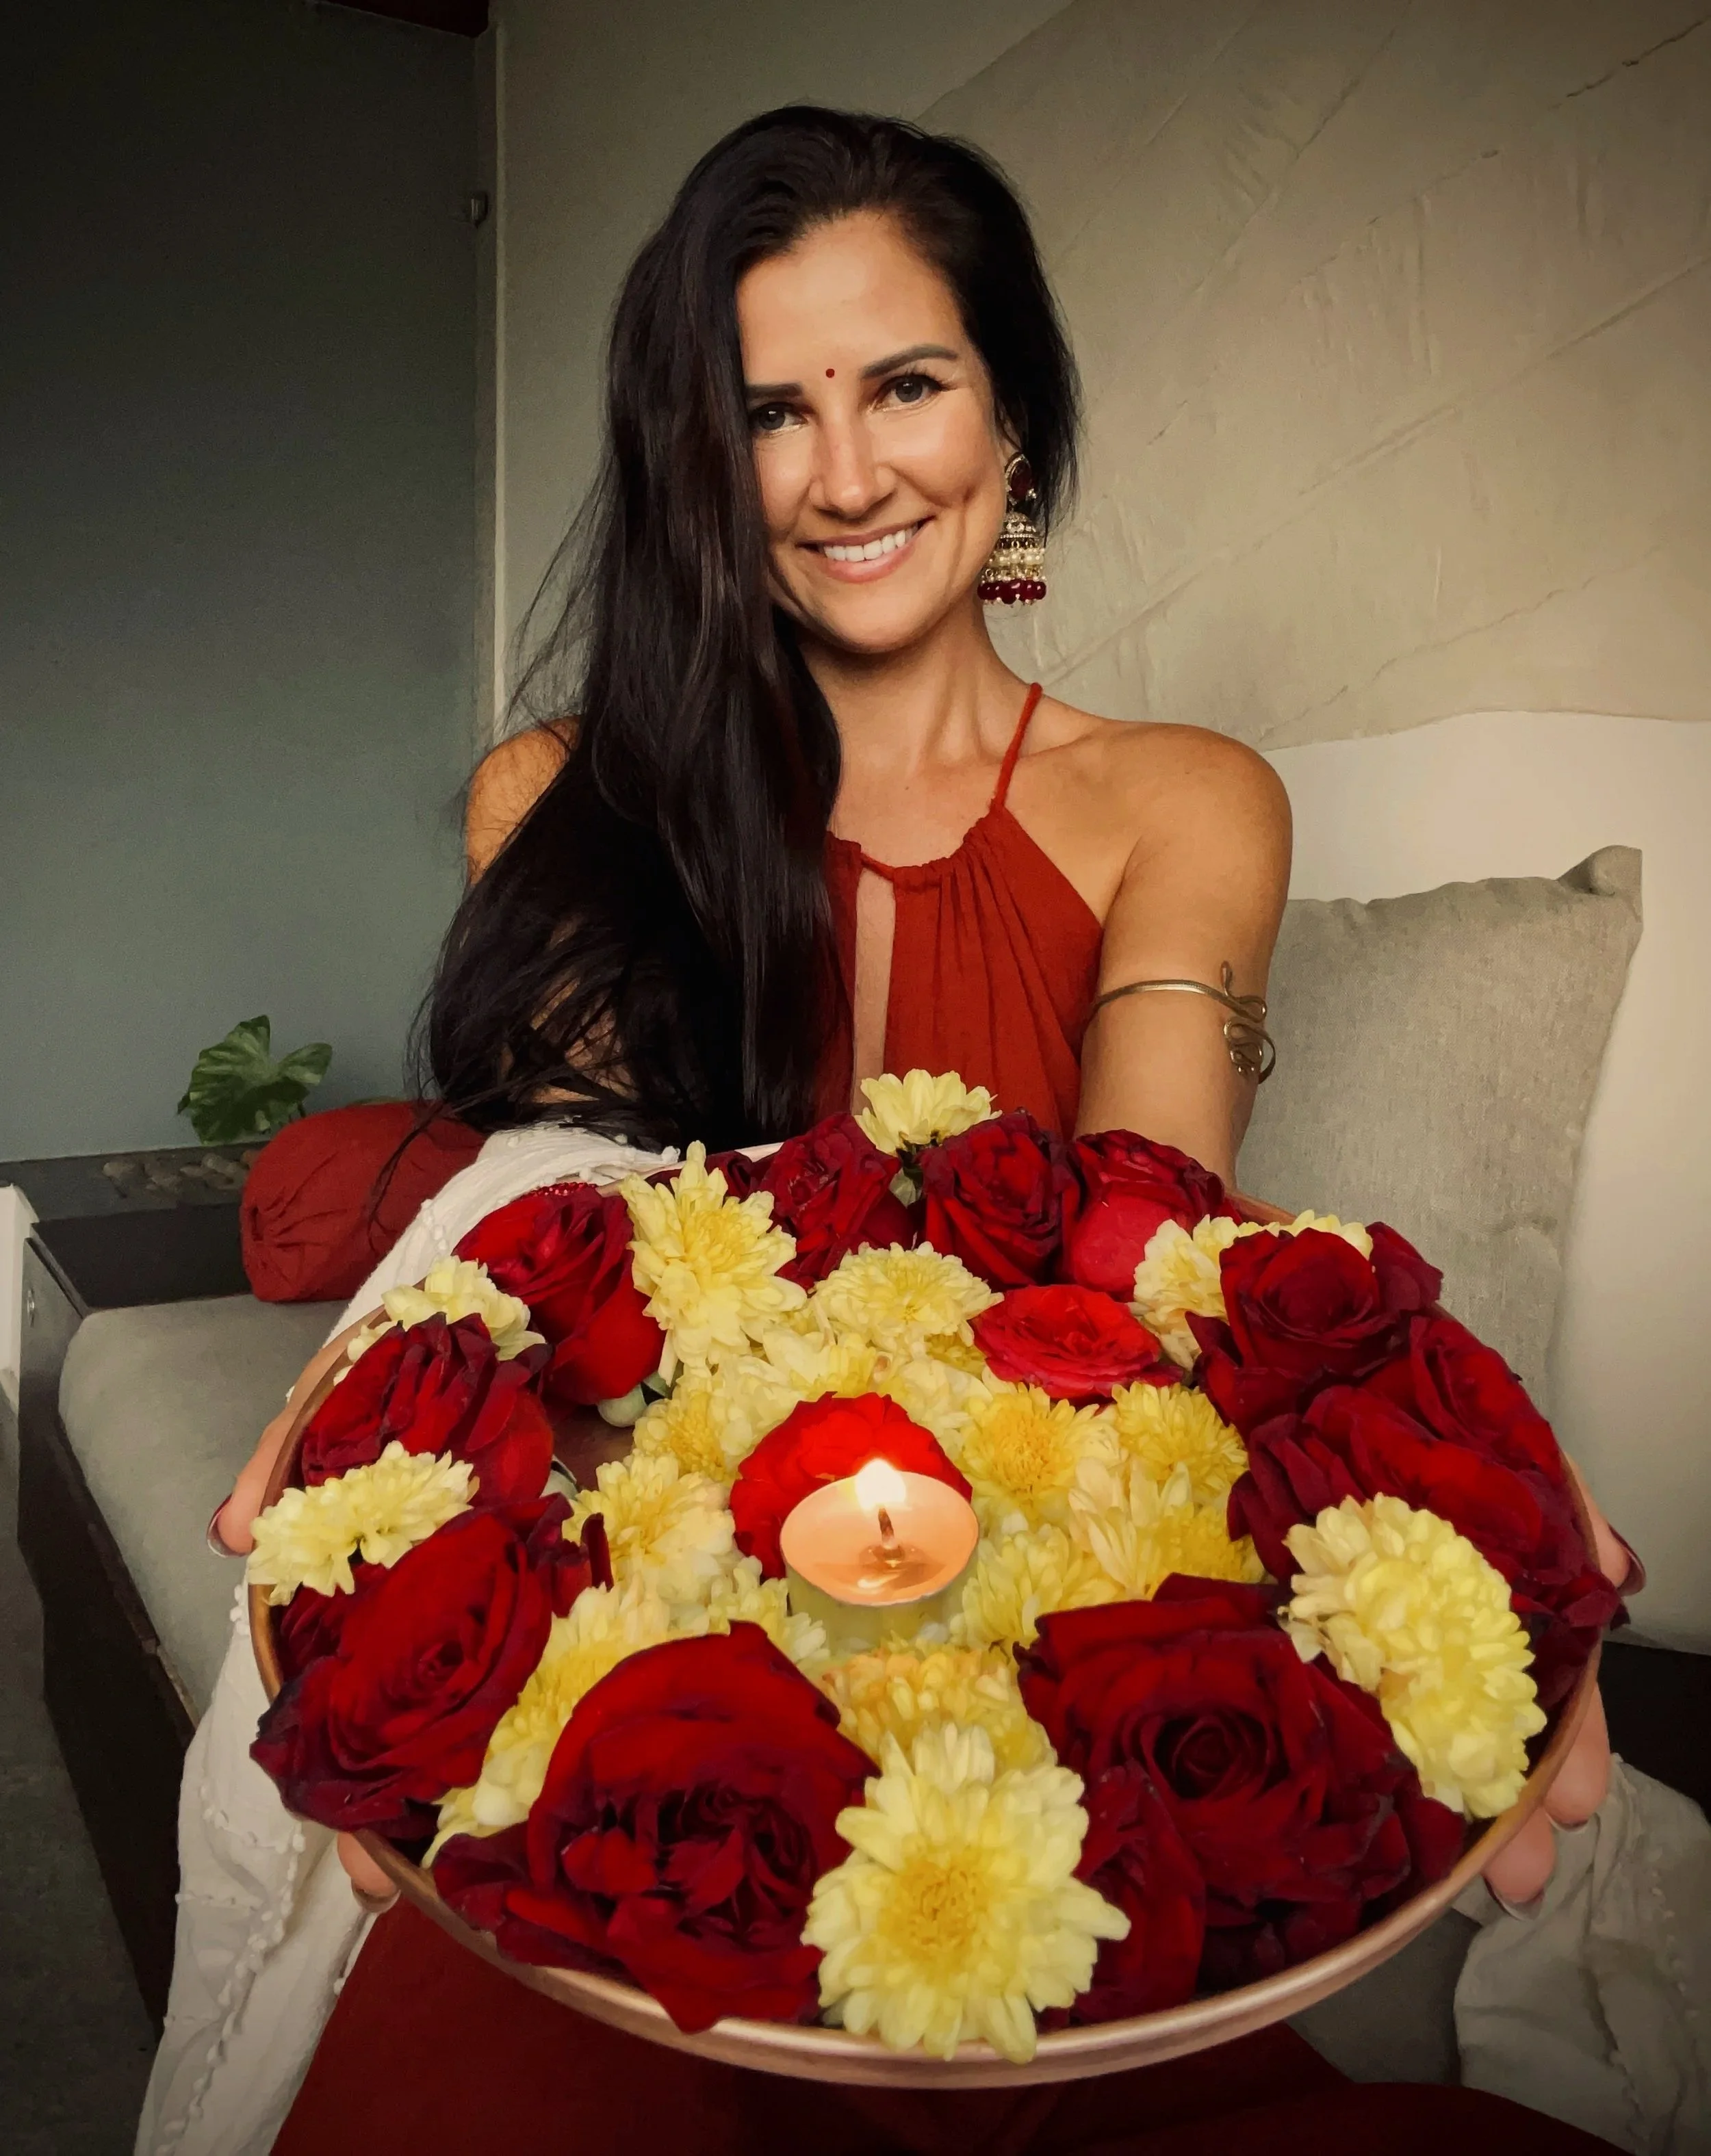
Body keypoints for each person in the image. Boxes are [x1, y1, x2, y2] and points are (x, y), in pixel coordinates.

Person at [140, 109, 1650, 2156]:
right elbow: (578, 1218)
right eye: (771, 410)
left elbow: (1149, 1251)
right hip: (654, 1635)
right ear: (704, 459)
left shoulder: (1181, 799)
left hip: (1009, 1602)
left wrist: (1460, 1495)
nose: (845, 474)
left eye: (907, 384)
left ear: (1011, 415)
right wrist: (413, 1359)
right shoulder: (563, 794)